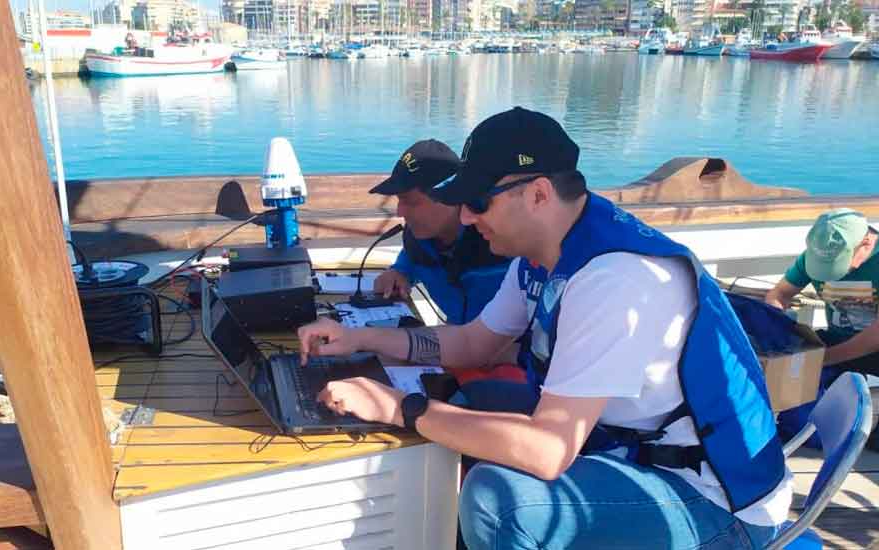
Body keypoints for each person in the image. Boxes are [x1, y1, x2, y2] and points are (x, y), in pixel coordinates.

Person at [298, 107, 791, 549]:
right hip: (625, 442)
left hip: (716, 502)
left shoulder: (615, 279)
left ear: (537, 194)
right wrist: (360, 338)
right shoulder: (542, 252)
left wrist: (399, 407)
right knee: (468, 401)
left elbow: (548, 450)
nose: (466, 217)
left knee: (498, 502)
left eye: (479, 202)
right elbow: (473, 343)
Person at [765, 208, 879, 451]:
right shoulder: (813, 255)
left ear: (867, 242)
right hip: (838, 340)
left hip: (875, 343)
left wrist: (822, 359)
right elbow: (779, 294)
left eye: (838, 264)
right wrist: (775, 327)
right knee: (799, 420)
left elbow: (878, 335)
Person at [370, 139, 511, 326]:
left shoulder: (501, 245)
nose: (399, 212)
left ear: (450, 196)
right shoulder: (418, 238)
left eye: (410, 202)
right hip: (458, 344)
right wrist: (399, 272)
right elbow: (413, 257)